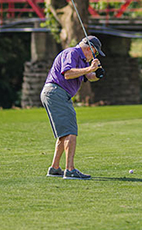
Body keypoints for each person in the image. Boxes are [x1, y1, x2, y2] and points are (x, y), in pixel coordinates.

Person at [40, 35, 105, 179]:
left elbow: (88, 77)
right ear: (89, 48)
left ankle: (55, 168)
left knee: (64, 133)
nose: (94, 56)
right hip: (57, 92)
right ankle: (70, 170)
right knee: (70, 131)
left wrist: (97, 74)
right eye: (95, 53)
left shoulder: (81, 60)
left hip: (56, 94)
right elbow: (68, 73)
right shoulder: (72, 53)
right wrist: (89, 68)